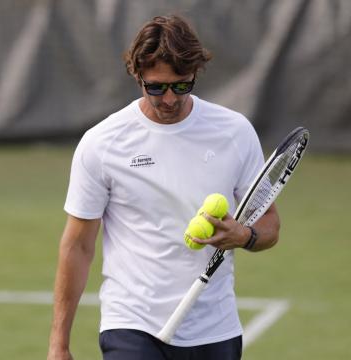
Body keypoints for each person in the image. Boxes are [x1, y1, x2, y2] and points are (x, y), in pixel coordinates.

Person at [47, 14, 280, 360]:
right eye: (156, 87)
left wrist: (243, 236)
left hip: (215, 329)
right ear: (136, 75)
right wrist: (58, 344)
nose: (169, 98)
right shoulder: (102, 143)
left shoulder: (235, 132)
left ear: (195, 74)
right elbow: (77, 247)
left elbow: (270, 224)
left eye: (181, 86)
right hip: (131, 325)